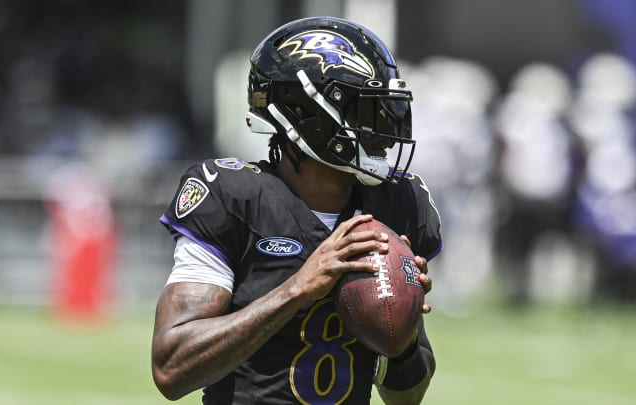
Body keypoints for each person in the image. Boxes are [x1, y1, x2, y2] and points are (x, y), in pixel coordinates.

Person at [151, 16, 443, 405]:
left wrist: (401, 335)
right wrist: (297, 288)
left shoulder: (397, 202)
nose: (385, 127)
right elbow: (171, 368)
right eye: (364, 110)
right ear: (306, 112)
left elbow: (406, 398)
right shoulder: (233, 196)